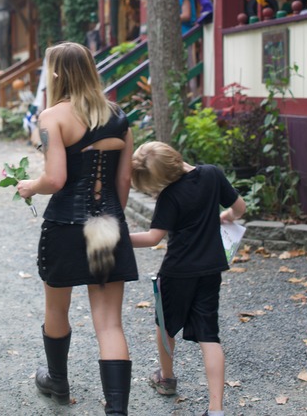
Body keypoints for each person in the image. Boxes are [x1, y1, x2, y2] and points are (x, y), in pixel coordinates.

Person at [16, 42, 137, 415]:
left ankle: (58, 383)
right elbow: (124, 181)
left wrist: (29, 186)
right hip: (108, 224)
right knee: (109, 324)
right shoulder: (119, 117)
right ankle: (116, 411)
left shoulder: (52, 117)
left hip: (66, 226)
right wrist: (112, 219)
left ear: (56, 73)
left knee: (57, 308)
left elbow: (55, 179)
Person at [128, 142, 246, 416]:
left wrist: (119, 238)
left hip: (177, 272)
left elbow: (153, 238)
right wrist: (226, 216)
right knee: (209, 335)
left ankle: (166, 378)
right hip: (210, 270)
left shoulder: (169, 196)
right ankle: (215, 409)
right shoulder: (212, 174)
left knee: (165, 325)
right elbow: (239, 208)